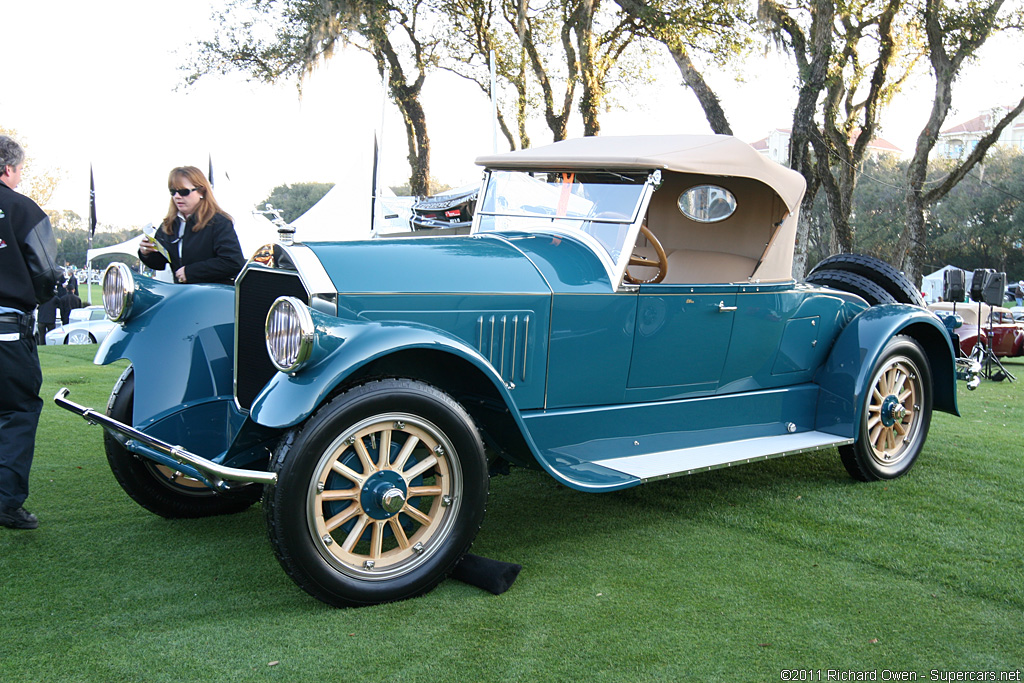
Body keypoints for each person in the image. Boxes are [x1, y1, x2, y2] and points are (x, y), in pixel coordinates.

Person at [0, 135, 62, 530]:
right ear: (8, 169)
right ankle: (6, 503)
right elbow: (45, 272)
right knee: (17, 411)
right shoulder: (22, 208)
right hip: (8, 331)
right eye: (20, 169)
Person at [138, 166, 244, 285]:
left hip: (214, 295)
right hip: (183, 294)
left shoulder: (218, 222)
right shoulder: (169, 224)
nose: (177, 196)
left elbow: (233, 262)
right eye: (173, 192)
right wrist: (146, 253)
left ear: (202, 192)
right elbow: (160, 263)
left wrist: (191, 272)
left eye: (184, 191)